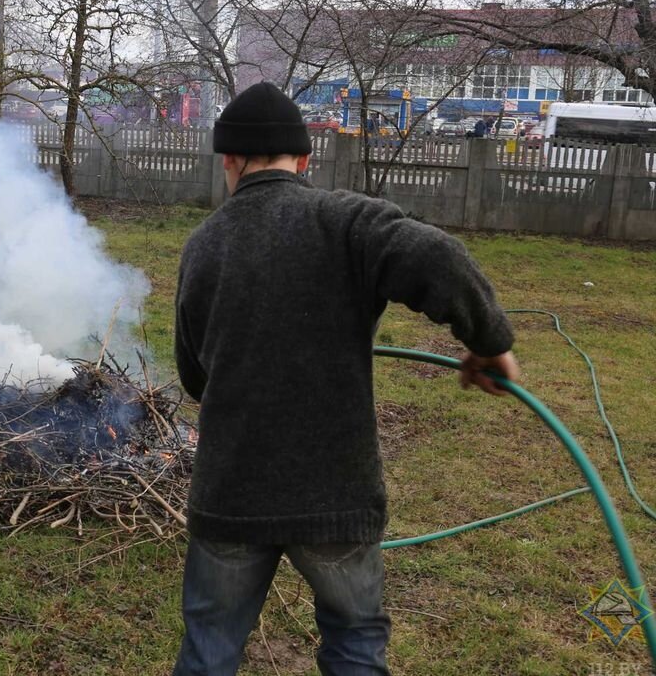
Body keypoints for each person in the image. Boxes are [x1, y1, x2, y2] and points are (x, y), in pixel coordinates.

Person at [171, 82, 519, 676]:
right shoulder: (347, 222)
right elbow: (439, 259)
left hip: (232, 493)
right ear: (305, 161)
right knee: (355, 642)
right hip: (334, 496)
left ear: (227, 160)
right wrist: (489, 344)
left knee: (209, 647)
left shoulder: (203, 245)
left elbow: (195, 378)